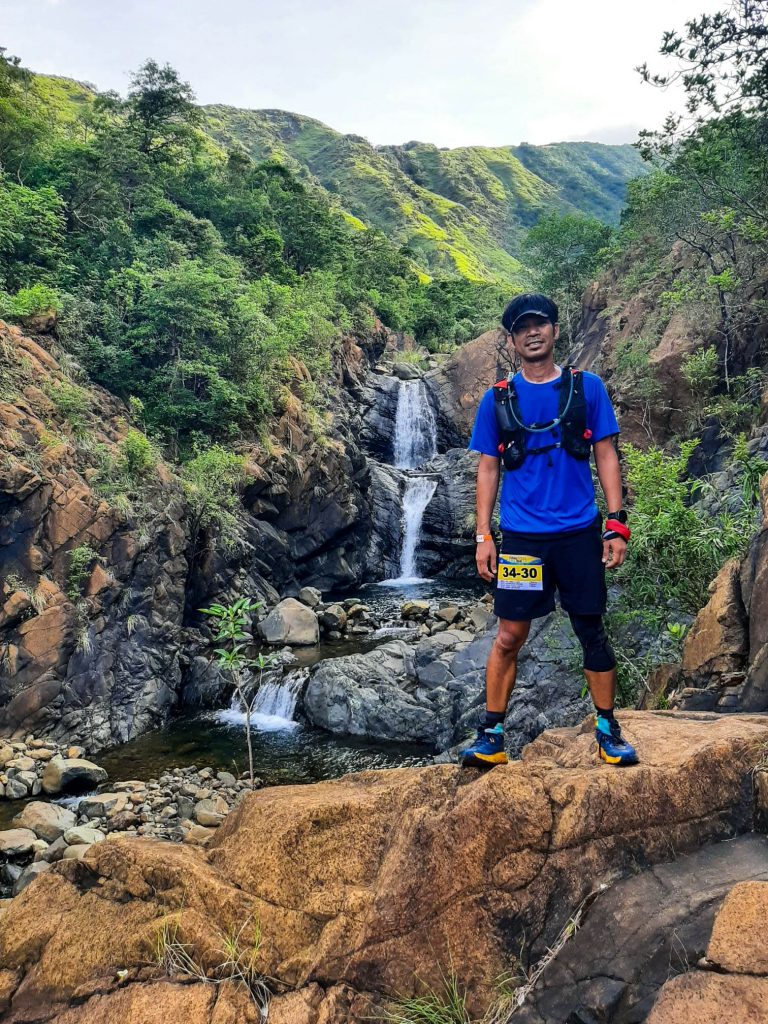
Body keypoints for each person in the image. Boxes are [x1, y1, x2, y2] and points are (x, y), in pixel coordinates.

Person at [462, 293, 638, 768]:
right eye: (522, 328)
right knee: (508, 635)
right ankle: (492, 735)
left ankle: (607, 730)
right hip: (522, 539)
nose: (532, 333)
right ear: (512, 341)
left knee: (591, 630)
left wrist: (616, 523)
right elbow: (488, 468)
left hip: (579, 534)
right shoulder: (498, 399)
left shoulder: (587, 388)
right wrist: (483, 536)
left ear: (556, 331)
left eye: (540, 324)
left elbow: (605, 454)